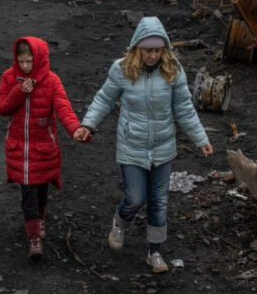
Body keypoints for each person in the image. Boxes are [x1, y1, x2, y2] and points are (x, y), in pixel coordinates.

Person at [74, 17, 212, 274]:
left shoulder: (173, 70)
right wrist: (88, 125)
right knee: (135, 198)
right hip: (132, 145)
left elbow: (184, 109)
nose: (153, 55)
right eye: (148, 50)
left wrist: (201, 139)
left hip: (163, 147)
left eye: (157, 50)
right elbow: (104, 99)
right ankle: (120, 220)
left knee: (159, 201)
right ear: (137, 47)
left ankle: (155, 252)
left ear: (164, 49)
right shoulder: (121, 70)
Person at [0, 37, 82, 260]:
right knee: (28, 193)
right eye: (21, 61)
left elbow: (64, 108)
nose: (25, 66)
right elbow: (1, 107)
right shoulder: (9, 77)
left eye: (29, 61)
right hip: (19, 150)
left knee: (41, 191)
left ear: (39, 59)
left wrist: (76, 130)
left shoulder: (52, 81)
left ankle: (39, 219)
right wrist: (19, 91)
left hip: (43, 149)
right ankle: (34, 236)